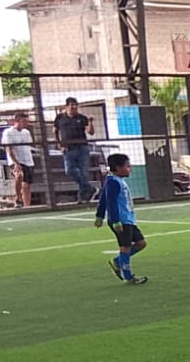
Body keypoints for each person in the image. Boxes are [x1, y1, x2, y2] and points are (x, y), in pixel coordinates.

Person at [94, 152, 148, 283]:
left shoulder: (116, 181)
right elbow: (110, 202)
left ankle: (118, 261)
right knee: (125, 247)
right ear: (118, 168)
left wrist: (100, 216)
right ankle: (128, 276)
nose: (130, 169)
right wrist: (115, 221)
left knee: (141, 243)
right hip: (121, 220)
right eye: (127, 166)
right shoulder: (113, 182)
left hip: (128, 219)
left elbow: (103, 199)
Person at [53, 97, 96, 202]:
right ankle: (90, 188)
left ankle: (83, 195)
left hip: (82, 148)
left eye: (75, 105)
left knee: (84, 173)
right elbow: (55, 131)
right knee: (69, 170)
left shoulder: (82, 118)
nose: (74, 107)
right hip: (68, 149)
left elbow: (90, 132)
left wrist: (90, 122)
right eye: (72, 105)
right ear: (66, 106)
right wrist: (59, 144)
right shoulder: (60, 118)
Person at [0, 111, 35, 208]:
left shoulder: (26, 132)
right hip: (16, 160)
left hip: (28, 161)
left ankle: (27, 206)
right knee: (19, 175)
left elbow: (29, 146)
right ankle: (18, 197)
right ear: (17, 121)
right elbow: (9, 149)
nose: (26, 123)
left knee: (27, 185)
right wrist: (16, 163)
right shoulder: (8, 132)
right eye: (24, 121)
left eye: (26, 121)